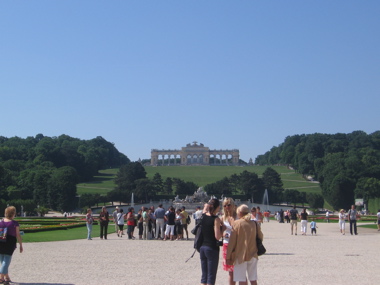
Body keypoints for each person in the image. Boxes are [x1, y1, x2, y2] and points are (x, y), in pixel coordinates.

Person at [226, 204, 263, 285]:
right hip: (253, 254)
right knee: (253, 279)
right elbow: (260, 237)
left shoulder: (236, 223)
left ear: (239, 213)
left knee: (241, 279)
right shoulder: (255, 224)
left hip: (240, 255)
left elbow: (232, 242)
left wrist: (228, 256)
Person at [199, 198, 224, 285]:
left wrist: (207, 205)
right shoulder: (215, 219)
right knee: (211, 276)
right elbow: (217, 237)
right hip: (212, 248)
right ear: (216, 207)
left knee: (204, 276)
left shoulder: (204, 216)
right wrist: (222, 229)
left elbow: (205, 208)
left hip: (202, 247)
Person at [0, 206, 23, 284]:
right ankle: (1, 277)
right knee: (6, 261)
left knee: (3, 261)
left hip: (1, 242)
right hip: (9, 243)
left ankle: (6, 278)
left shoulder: (1, 222)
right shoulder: (14, 223)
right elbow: (18, 235)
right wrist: (20, 245)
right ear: (13, 214)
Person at [221, 197, 237, 285]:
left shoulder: (238, 216)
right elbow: (219, 232)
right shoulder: (223, 217)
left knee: (239, 270)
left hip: (237, 244)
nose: (227, 207)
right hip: (227, 243)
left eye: (228, 205)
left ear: (233, 205)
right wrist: (223, 234)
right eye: (225, 205)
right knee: (231, 271)